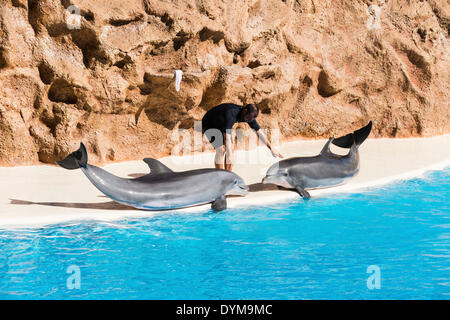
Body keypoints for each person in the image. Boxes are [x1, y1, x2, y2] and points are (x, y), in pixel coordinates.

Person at [201, 103, 283, 171]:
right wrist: (229, 155)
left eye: (250, 119)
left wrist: (271, 148)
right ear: (244, 111)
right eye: (247, 118)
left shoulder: (250, 117)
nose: (247, 120)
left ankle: (228, 175)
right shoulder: (231, 114)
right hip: (209, 123)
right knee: (221, 149)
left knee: (231, 149)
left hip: (222, 123)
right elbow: (228, 138)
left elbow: (260, 132)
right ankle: (219, 174)